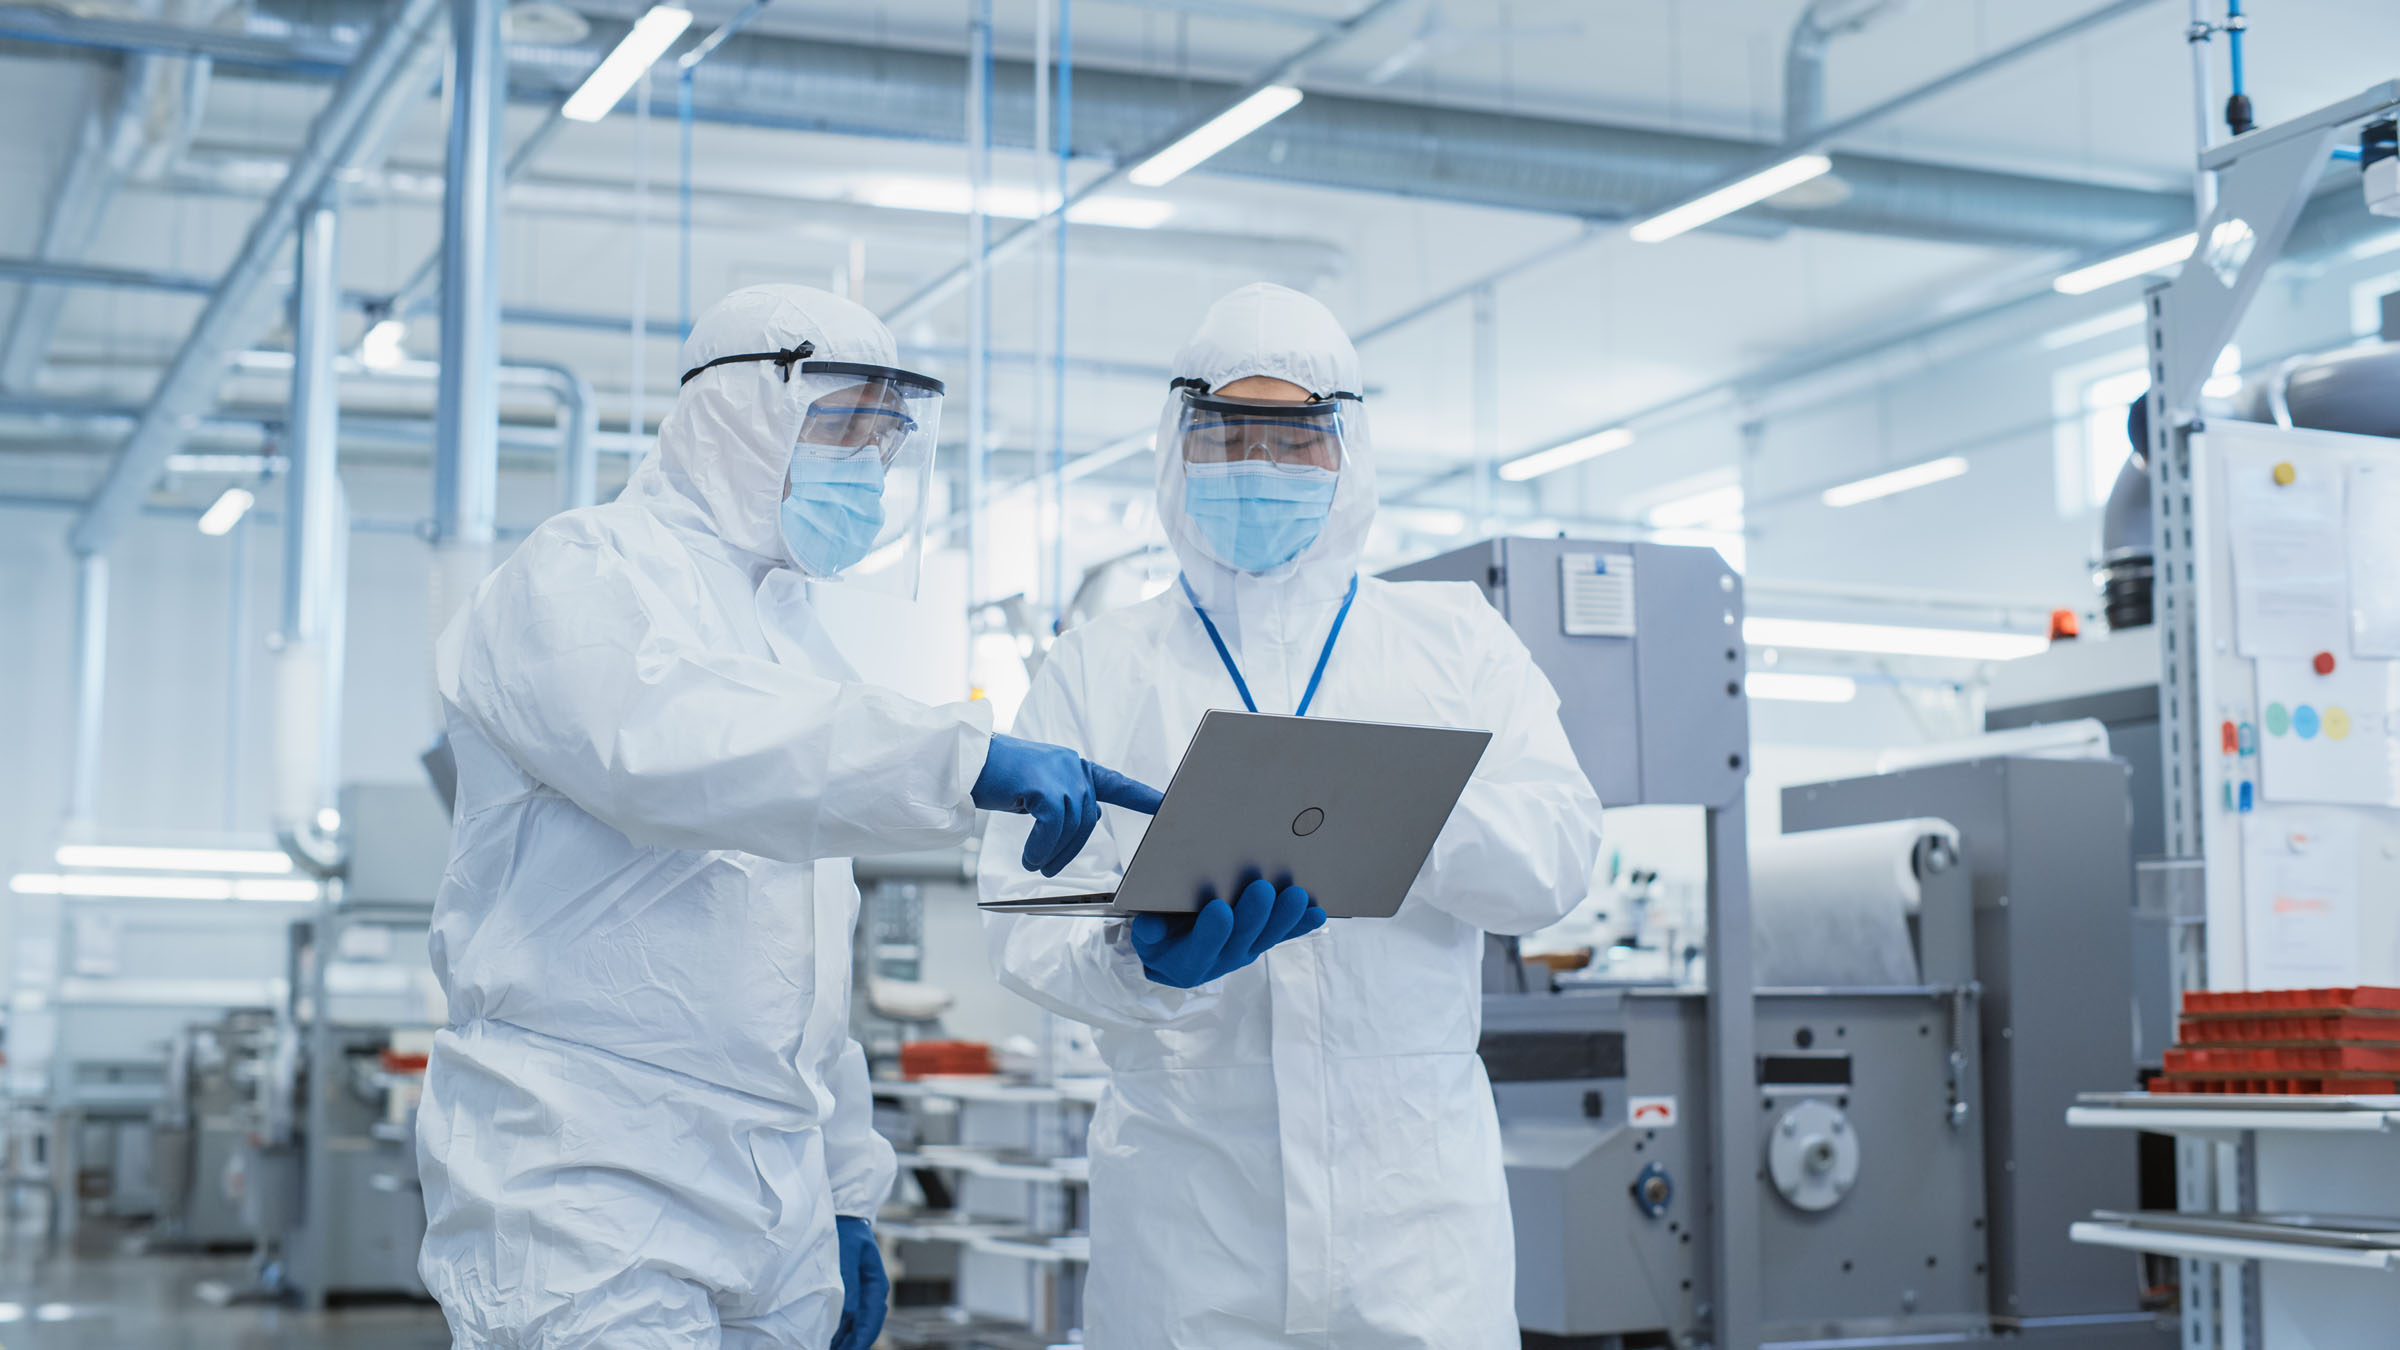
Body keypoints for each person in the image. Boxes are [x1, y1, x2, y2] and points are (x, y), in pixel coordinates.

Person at [417, 283, 1159, 1349]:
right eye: (841, 425)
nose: (867, 466)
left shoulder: (796, 643)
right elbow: (662, 743)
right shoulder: (580, 572)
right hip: (587, 1179)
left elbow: (799, 968)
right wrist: (963, 753)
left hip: (776, 1199)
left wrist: (848, 1186)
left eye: (885, 440)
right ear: (736, 410)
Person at [980, 281, 1606, 1348]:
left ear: (1347, 451)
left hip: (1415, 1231)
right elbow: (1015, 920)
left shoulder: (1452, 645)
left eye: (1295, 439)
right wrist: (1141, 965)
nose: (1258, 468)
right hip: (1191, 1224)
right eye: (1229, 435)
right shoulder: (1101, 664)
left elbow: (1560, 855)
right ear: (1180, 443)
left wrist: (1393, 818)